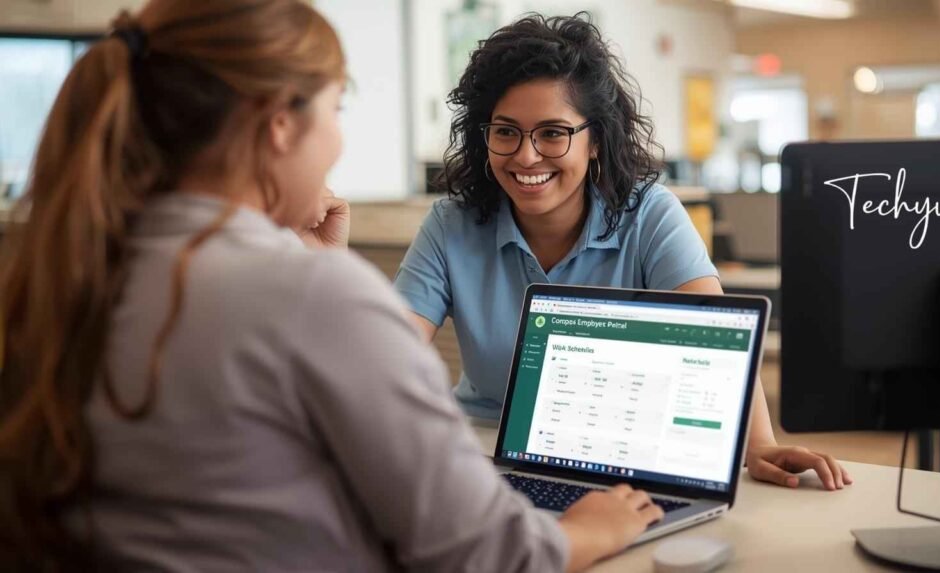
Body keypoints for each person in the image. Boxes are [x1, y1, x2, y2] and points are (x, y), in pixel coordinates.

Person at [0, 2, 663, 571]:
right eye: (335, 109)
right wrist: (596, 525)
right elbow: (490, 553)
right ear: (279, 124)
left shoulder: (64, 270)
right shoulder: (311, 297)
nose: (339, 138)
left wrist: (320, 272)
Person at [394, 13, 853, 491]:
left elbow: (715, 333)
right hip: (482, 457)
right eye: (506, 131)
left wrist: (758, 443)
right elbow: (390, 353)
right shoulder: (452, 223)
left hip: (619, 462)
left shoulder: (650, 215)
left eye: (553, 133)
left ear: (595, 140)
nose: (526, 156)